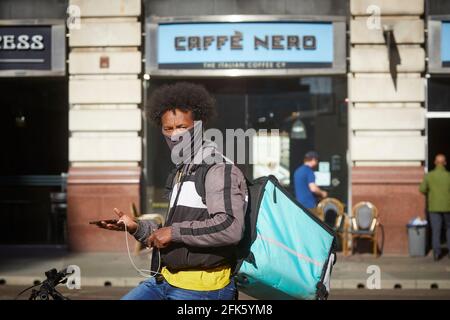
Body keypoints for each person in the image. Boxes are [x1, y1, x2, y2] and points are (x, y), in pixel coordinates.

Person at [95, 82, 248, 299]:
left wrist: (174, 232)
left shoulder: (217, 169)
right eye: (168, 128)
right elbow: (169, 231)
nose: (175, 135)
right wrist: (136, 227)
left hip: (202, 290)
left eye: (182, 127)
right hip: (164, 280)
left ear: (198, 126)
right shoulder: (181, 170)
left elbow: (230, 227)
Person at [419, 154, 450, 261]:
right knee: (449, 229)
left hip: (434, 207)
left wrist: (430, 193)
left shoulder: (429, 176)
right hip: (448, 207)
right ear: (445, 163)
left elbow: (422, 189)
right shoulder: (448, 176)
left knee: (436, 230)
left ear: (435, 163)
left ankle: (437, 253)